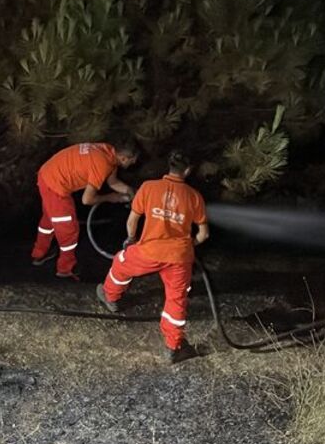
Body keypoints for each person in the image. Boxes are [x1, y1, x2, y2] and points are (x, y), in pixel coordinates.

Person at [96, 150, 209, 364]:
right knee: (176, 299)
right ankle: (174, 348)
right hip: (179, 258)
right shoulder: (194, 196)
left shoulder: (148, 187)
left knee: (120, 263)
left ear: (169, 166)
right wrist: (187, 246)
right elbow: (203, 235)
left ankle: (111, 298)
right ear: (187, 171)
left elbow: (132, 221)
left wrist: (131, 240)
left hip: (148, 251)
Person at [31, 140, 138, 280]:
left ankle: (39, 254)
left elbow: (113, 182)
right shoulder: (102, 164)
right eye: (133, 160)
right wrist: (111, 198)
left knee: (49, 220)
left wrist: (130, 191)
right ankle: (66, 269)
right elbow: (87, 200)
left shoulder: (108, 152)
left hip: (48, 174)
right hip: (55, 185)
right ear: (124, 158)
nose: (134, 163)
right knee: (69, 229)